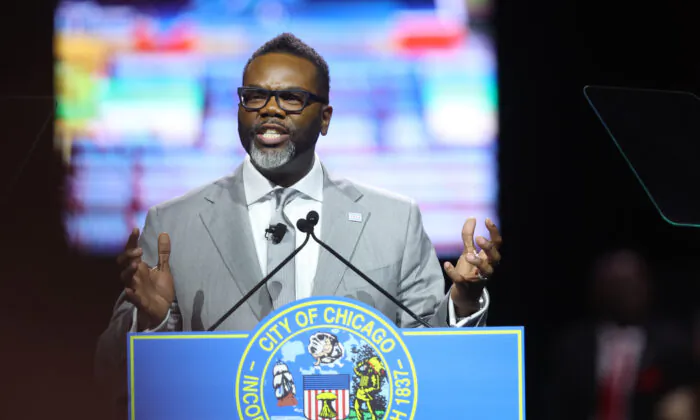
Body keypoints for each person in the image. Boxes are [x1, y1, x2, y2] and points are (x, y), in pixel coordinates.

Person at [95, 32, 502, 415]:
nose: (270, 109)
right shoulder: (174, 225)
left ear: (324, 118)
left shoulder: (395, 221)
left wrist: (463, 302)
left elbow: (430, 362)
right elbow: (109, 376)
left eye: (290, 98)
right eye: (255, 97)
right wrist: (149, 323)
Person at [546, 248, 695, 420]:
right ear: (599, 289)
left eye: (632, 284)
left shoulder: (672, 345)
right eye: (617, 285)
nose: (626, 293)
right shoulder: (572, 347)